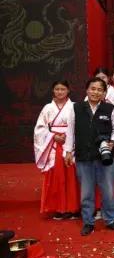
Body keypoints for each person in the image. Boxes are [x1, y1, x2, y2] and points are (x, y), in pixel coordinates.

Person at [64, 77, 114, 236]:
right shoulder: (76, 108)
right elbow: (70, 131)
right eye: (93, 88)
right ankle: (88, 222)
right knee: (86, 192)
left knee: (108, 191)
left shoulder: (111, 109)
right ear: (87, 90)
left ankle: (111, 219)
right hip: (83, 155)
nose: (95, 92)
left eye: (99, 90)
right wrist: (68, 151)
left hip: (105, 157)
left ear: (104, 93)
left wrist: (113, 142)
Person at [34, 80, 80, 219]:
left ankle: (73, 208)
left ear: (68, 90)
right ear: (53, 91)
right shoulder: (48, 108)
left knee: (71, 176)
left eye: (63, 89)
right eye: (57, 89)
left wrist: (69, 137)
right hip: (52, 144)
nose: (60, 92)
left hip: (70, 143)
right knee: (55, 176)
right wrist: (53, 136)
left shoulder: (74, 106)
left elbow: (80, 126)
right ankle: (58, 208)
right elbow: (40, 128)